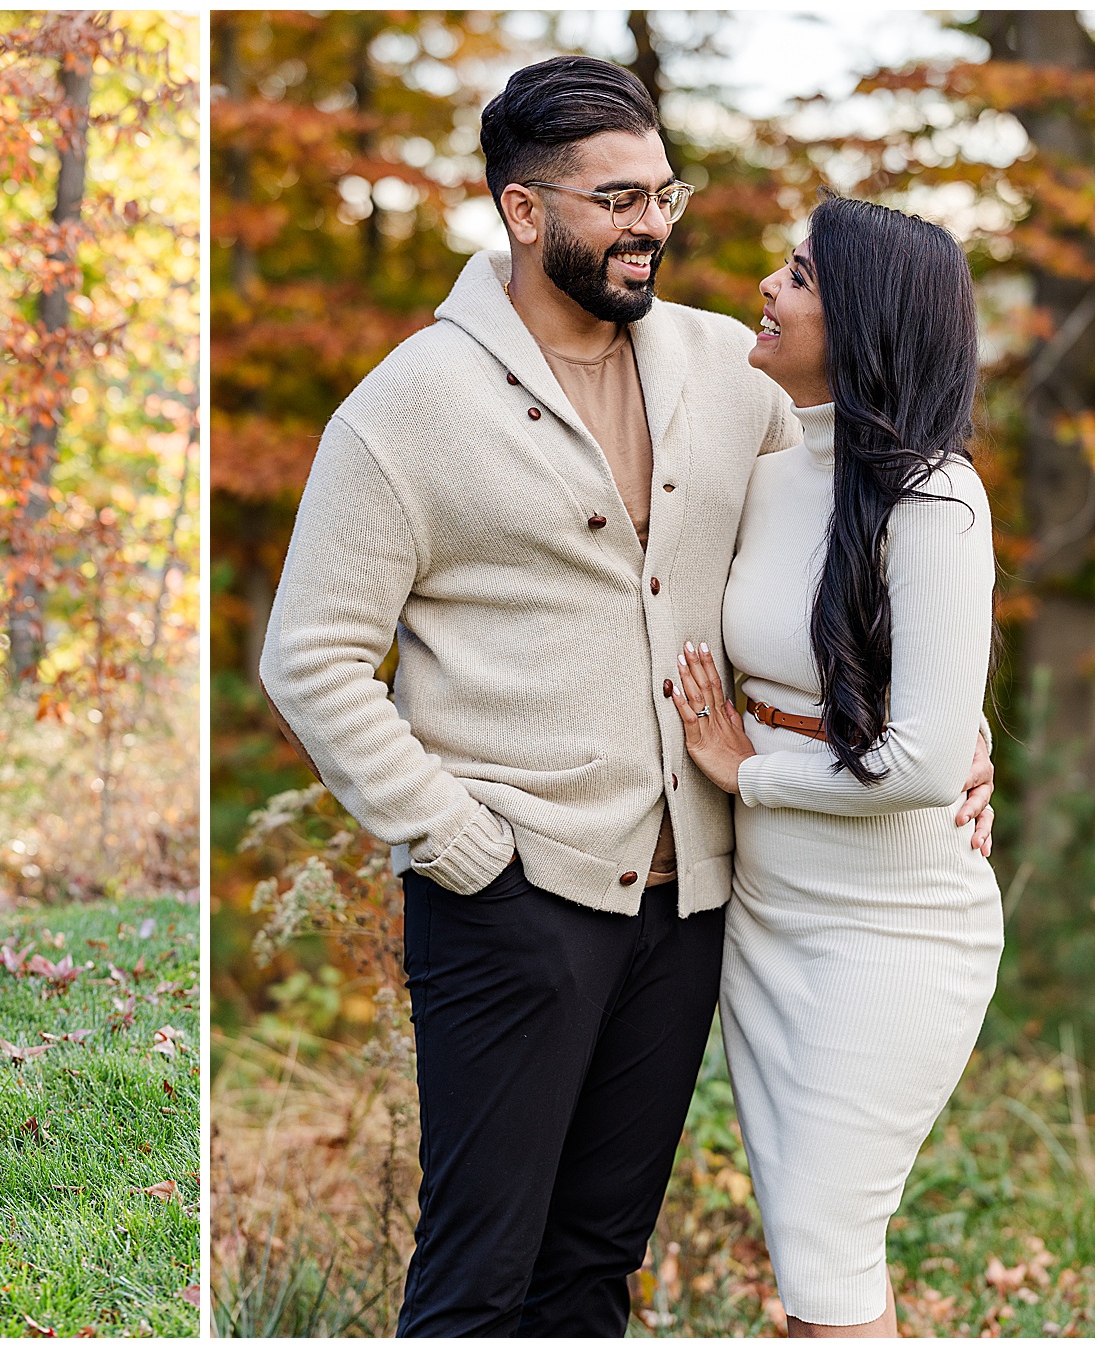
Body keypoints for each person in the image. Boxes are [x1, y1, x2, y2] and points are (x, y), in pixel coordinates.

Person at [257, 55, 995, 1337]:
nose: (652, 223)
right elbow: (310, 656)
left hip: (696, 907)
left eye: (664, 193)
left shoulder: (729, 373)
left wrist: (956, 728)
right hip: (511, 897)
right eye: (616, 199)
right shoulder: (407, 405)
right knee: (478, 1279)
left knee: (596, 1267)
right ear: (525, 209)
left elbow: (855, 559)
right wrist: (458, 836)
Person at [670, 195, 1000, 1337]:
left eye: (800, 276)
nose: (767, 285)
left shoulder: (938, 497)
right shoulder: (772, 462)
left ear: (858, 319)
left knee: (827, 1267)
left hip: (891, 929)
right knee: (816, 1265)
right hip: (771, 915)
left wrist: (742, 768)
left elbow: (918, 766)